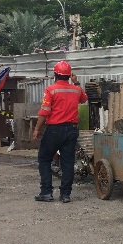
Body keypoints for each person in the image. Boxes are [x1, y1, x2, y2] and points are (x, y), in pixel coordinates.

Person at [32, 60, 88, 203]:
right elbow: (84, 98)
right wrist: (76, 83)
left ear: (55, 74)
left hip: (54, 131)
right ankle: (65, 195)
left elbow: (44, 112)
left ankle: (46, 192)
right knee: (68, 162)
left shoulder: (51, 90)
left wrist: (37, 129)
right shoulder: (76, 90)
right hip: (71, 130)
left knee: (44, 159)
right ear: (69, 76)